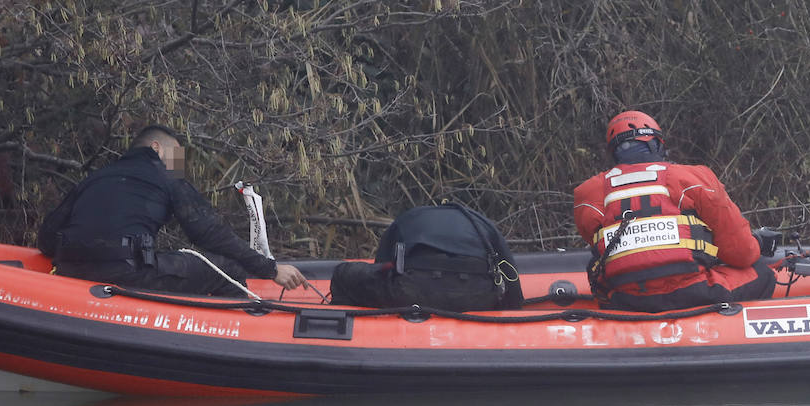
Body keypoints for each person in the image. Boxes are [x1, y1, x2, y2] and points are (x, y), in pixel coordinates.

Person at [38, 124, 306, 296]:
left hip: (71, 270)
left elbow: (47, 240)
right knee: (229, 269)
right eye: (177, 155)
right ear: (156, 148)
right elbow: (209, 233)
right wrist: (270, 269)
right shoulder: (166, 177)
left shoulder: (95, 178)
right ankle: (233, 340)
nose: (180, 164)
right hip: (126, 272)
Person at [573, 111, 774, 312]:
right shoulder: (691, 178)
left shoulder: (589, 194)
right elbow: (741, 254)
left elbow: (600, 247)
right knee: (763, 275)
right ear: (657, 144)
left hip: (626, 301)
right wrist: (759, 242)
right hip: (694, 292)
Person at [329, 203, 524, 311]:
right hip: (478, 295)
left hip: (413, 292)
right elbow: (510, 275)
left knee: (341, 273)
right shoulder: (481, 222)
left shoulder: (409, 218)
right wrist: (512, 312)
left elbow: (382, 267)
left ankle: (350, 335)